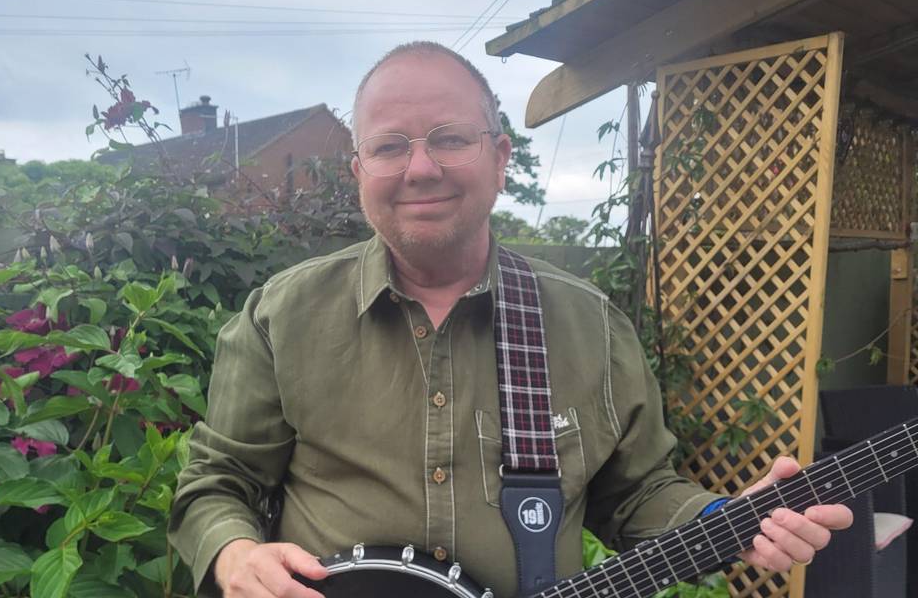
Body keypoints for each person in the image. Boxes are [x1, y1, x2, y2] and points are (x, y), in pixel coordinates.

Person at [168, 42, 853, 598]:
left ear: (500, 160)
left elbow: (637, 491)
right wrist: (233, 555)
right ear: (358, 171)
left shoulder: (588, 323)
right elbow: (218, 480)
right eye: (389, 147)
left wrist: (723, 521)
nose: (421, 167)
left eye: (449, 139)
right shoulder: (282, 315)